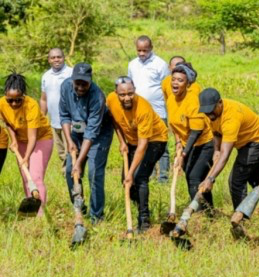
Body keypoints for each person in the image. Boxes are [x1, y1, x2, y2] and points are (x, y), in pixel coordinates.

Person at [197, 88, 259, 213]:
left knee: (236, 180)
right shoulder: (210, 114)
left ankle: (240, 218)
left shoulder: (231, 117)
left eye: (211, 110)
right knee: (254, 177)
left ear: (220, 103)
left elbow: (225, 154)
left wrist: (210, 179)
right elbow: (216, 132)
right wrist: (216, 149)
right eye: (206, 111)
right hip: (245, 141)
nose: (209, 114)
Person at [107, 76, 168, 231]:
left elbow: (143, 146)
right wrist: (122, 141)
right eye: (122, 95)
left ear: (134, 91)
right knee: (125, 180)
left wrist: (131, 173)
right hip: (132, 141)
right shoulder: (111, 100)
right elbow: (115, 120)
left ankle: (144, 220)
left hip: (155, 140)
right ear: (116, 93)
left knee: (139, 177)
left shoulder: (143, 108)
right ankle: (139, 205)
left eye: (130, 93)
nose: (127, 98)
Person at [60, 63, 114, 223]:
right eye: (78, 83)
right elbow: (64, 116)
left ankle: (96, 216)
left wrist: (80, 161)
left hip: (99, 133)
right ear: (72, 80)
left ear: (90, 80)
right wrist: (69, 141)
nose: (81, 87)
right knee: (70, 169)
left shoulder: (97, 96)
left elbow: (91, 132)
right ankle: (79, 204)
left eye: (85, 83)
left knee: (94, 172)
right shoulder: (65, 87)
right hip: (76, 132)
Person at [0, 73, 53, 215]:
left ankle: (40, 214)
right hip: (20, 140)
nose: (14, 104)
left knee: (35, 176)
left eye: (18, 100)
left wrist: (26, 157)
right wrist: (14, 140)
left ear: (23, 96)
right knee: (25, 176)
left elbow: (33, 136)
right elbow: (8, 123)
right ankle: (30, 211)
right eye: (10, 100)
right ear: (5, 95)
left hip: (41, 139)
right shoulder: (2, 104)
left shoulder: (31, 105)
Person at [166, 62, 215, 209]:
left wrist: (184, 154)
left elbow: (196, 131)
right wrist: (178, 144)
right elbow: (174, 125)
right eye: (173, 79)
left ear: (188, 84)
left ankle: (199, 214)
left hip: (205, 143)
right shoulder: (170, 99)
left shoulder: (192, 100)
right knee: (191, 177)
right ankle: (208, 212)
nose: (175, 83)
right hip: (188, 143)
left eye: (180, 80)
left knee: (195, 177)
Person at [128, 35, 170, 183]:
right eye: (139, 50)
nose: (141, 53)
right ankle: (148, 174)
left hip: (158, 111)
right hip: (139, 112)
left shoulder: (160, 64)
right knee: (143, 144)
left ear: (151, 48)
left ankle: (163, 178)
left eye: (145, 50)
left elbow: (167, 87)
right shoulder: (132, 64)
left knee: (161, 145)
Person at [40, 48, 73, 173]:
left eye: (59, 57)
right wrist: (42, 119)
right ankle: (67, 172)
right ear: (49, 60)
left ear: (64, 58)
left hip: (69, 121)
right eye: (53, 57)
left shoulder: (71, 73)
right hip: (54, 121)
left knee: (69, 149)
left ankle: (71, 174)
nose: (56, 60)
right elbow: (43, 99)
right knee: (60, 151)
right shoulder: (46, 76)